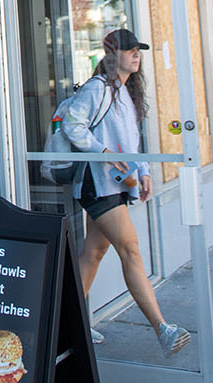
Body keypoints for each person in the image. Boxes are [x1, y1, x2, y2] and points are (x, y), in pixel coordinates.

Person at [61, 28, 190, 357]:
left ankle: (65, 326)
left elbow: (131, 142)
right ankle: (163, 328)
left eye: (138, 50)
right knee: (131, 249)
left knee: (93, 255)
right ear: (111, 54)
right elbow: (71, 124)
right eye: (130, 50)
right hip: (97, 184)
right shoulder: (97, 88)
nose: (136, 55)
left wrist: (143, 171)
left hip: (117, 184)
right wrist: (102, 152)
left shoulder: (125, 91)